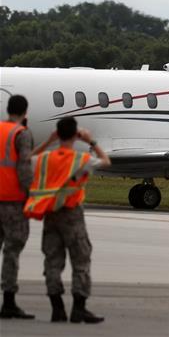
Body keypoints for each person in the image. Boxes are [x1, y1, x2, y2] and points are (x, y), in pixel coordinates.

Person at [26, 116, 110, 324]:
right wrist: (91, 142)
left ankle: (57, 309)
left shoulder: (45, 158)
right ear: (76, 135)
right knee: (81, 260)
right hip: (72, 215)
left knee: (52, 262)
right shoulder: (81, 159)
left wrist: (48, 142)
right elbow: (106, 161)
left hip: (50, 214)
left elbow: (26, 159)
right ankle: (79, 309)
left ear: (57, 133)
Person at [0, 94, 34, 320]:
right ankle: (9, 302)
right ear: (24, 112)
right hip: (11, 202)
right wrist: (29, 195)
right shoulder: (21, 134)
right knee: (11, 251)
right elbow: (24, 168)